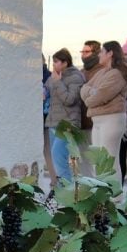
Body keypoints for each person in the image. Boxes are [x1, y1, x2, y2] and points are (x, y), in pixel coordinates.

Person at [81, 41, 127, 173]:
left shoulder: (117, 74)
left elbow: (99, 97)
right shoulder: (101, 73)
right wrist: (91, 92)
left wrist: (91, 96)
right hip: (97, 121)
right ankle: (102, 192)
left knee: (109, 162)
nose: (99, 55)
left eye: (102, 52)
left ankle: (115, 194)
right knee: (98, 162)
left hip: (111, 121)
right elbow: (83, 89)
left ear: (110, 53)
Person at [45, 48, 86, 184]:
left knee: (59, 156)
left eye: (56, 62)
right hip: (53, 122)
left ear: (65, 62)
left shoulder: (75, 76)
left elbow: (70, 99)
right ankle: (63, 190)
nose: (53, 65)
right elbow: (47, 91)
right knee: (56, 159)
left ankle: (66, 192)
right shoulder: (54, 76)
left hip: (67, 123)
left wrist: (57, 82)